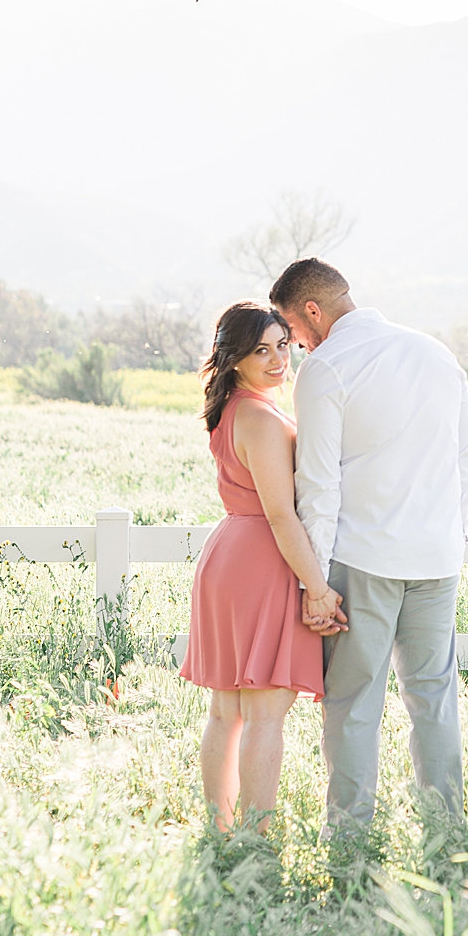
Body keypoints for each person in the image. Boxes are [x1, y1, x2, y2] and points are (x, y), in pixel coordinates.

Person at [270, 257, 468, 832]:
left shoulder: (328, 369)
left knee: (354, 702)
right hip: (437, 559)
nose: (297, 345)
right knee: (433, 696)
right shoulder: (437, 354)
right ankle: (444, 829)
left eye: (293, 330)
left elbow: (317, 484)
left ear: (312, 311)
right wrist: (454, 539)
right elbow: (466, 463)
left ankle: (352, 834)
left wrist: (315, 582)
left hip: (362, 558)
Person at [179, 301, 340, 832]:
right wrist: (317, 588)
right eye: (259, 351)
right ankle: (256, 837)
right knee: (265, 713)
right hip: (260, 560)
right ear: (234, 360)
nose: (277, 361)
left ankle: (219, 829)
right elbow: (280, 513)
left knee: (227, 712)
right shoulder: (260, 417)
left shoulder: (233, 409)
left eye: (281, 346)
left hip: (229, 555)